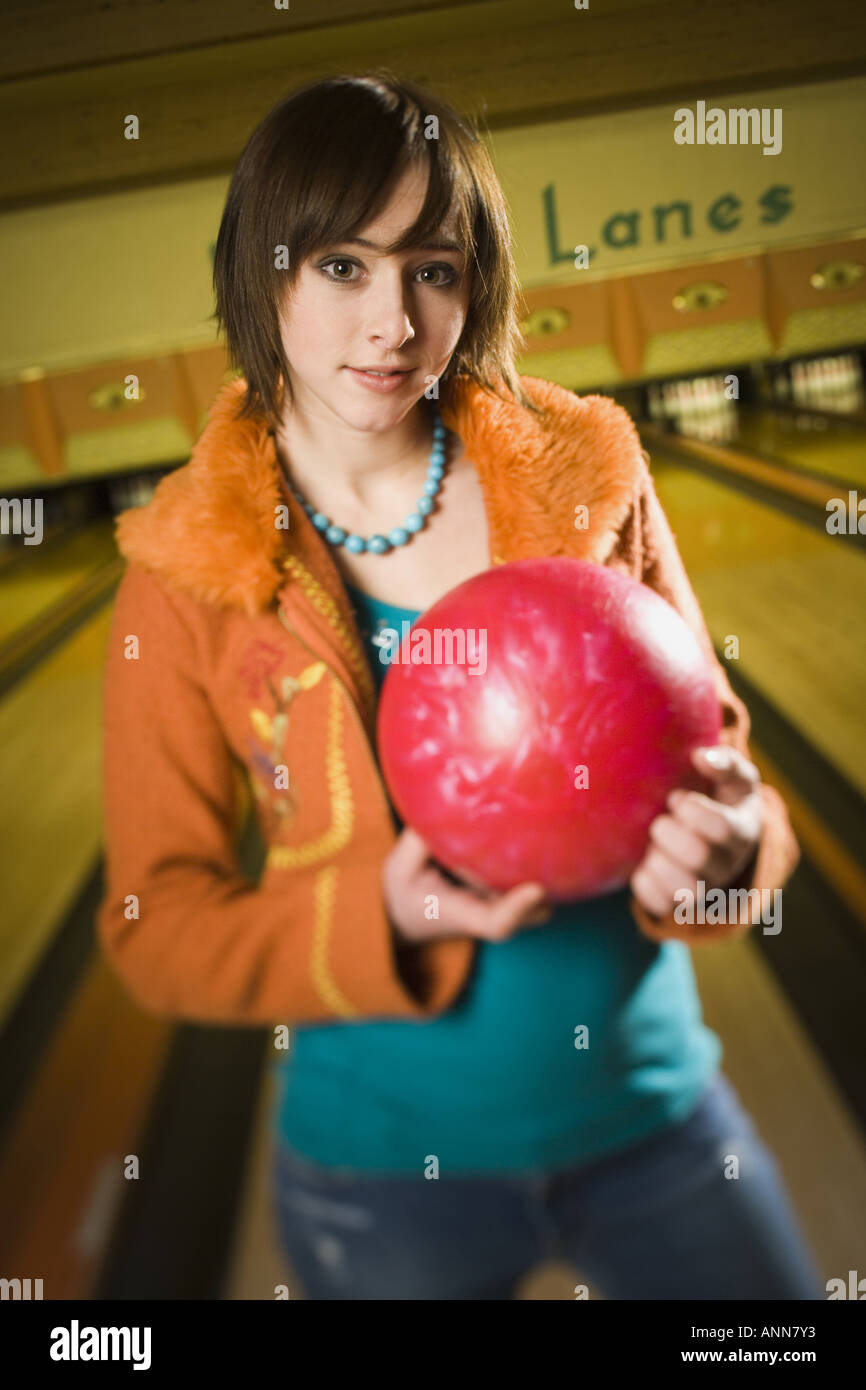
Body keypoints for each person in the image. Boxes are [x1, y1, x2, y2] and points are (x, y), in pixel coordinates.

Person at [97, 72, 826, 1301]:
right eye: (339, 266)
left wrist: (731, 850)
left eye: (431, 268)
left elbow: (725, 769)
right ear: (258, 272)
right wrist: (384, 918)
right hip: (379, 1177)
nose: (390, 320)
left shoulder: (591, 474)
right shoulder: (184, 573)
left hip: (654, 1120)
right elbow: (151, 925)